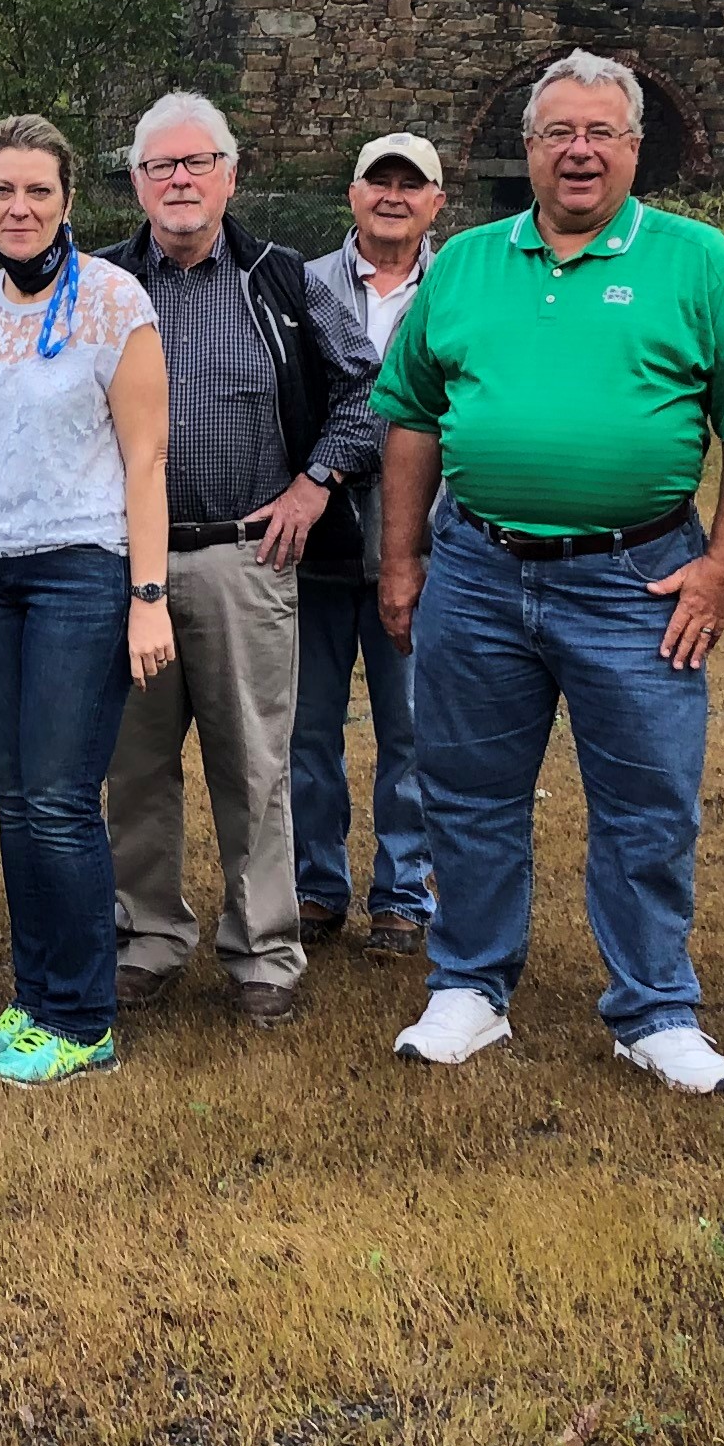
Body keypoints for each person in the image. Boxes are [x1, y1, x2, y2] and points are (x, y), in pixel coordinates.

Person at [371, 51, 724, 1095]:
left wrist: (723, 569)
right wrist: (402, 557)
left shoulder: (697, 261)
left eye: (601, 132)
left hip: (638, 577)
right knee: (468, 792)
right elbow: (412, 415)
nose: (579, 150)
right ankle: (470, 986)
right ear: (527, 150)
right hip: (476, 569)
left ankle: (654, 1008)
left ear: (634, 150)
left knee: (649, 799)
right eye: (559, 131)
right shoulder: (465, 263)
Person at [98, 91, 379, 1025]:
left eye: (196, 164)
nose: (179, 181)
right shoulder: (97, 285)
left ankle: (264, 950)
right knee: (134, 765)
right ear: (136, 182)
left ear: (230, 174)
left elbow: (369, 399)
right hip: (124, 568)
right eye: (160, 167)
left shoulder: (285, 282)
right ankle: (145, 936)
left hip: (241, 560)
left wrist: (314, 486)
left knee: (254, 761)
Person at [0, 114, 175, 1087]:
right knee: (14, 801)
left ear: (68, 201)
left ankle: (83, 1017)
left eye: (37, 190)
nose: (18, 206)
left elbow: (148, 462)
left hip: (80, 570)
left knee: (63, 802)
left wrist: (146, 596)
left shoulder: (117, 305)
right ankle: (31, 1004)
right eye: (2, 191)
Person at [294, 132, 449, 963]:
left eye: (410, 184)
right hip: (315, 542)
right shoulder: (301, 283)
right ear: (352, 195)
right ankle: (316, 885)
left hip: (422, 538)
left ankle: (401, 891)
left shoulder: (463, 284)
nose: (392, 196)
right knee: (307, 726)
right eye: (377, 182)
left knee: (412, 727)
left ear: (436, 201)